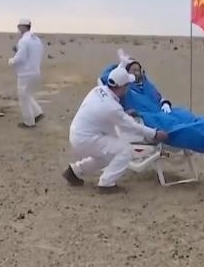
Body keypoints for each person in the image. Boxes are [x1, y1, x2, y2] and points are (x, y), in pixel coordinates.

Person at [61, 66, 169, 194]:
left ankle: (74, 171)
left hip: (78, 134)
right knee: (124, 150)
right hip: (86, 139)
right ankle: (106, 184)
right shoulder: (112, 107)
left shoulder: (97, 90)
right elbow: (131, 125)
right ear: (122, 87)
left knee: (106, 157)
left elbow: (107, 113)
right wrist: (154, 134)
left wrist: (123, 114)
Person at [8, 18, 45, 128]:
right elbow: (33, 53)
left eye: (19, 26)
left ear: (22, 27)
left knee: (23, 97)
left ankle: (29, 122)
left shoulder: (23, 41)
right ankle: (38, 112)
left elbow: (21, 57)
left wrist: (11, 61)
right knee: (27, 94)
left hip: (25, 74)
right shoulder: (36, 40)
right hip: (35, 71)